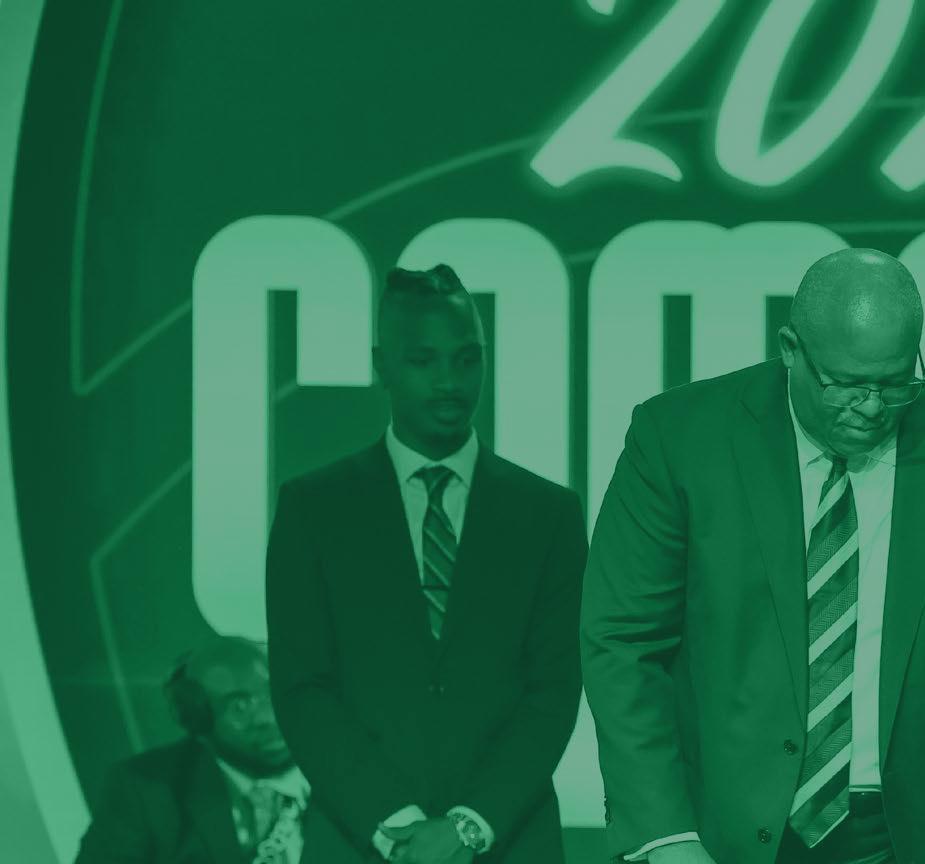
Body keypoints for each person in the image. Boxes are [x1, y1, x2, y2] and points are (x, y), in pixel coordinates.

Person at [580, 248, 925, 864]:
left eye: (896, 383)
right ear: (791, 349)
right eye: (847, 384)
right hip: (719, 836)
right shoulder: (680, 439)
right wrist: (665, 836)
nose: (873, 406)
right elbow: (623, 643)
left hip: (899, 833)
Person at [266, 264, 587, 863]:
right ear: (381, 365)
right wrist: (398, 827)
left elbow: (554, 690)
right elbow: (302, 688)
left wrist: (467, 827)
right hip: (358, 843)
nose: (449, 381)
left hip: (509, 844)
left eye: (467, 359)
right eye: (423, 360)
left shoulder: (549, 514)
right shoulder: (314, 508)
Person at [75, 636, 310, 864]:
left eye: (272, 695)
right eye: (239, 706)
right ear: (197, 717)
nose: (267, 718)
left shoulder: (330, 764)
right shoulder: (146, 790)